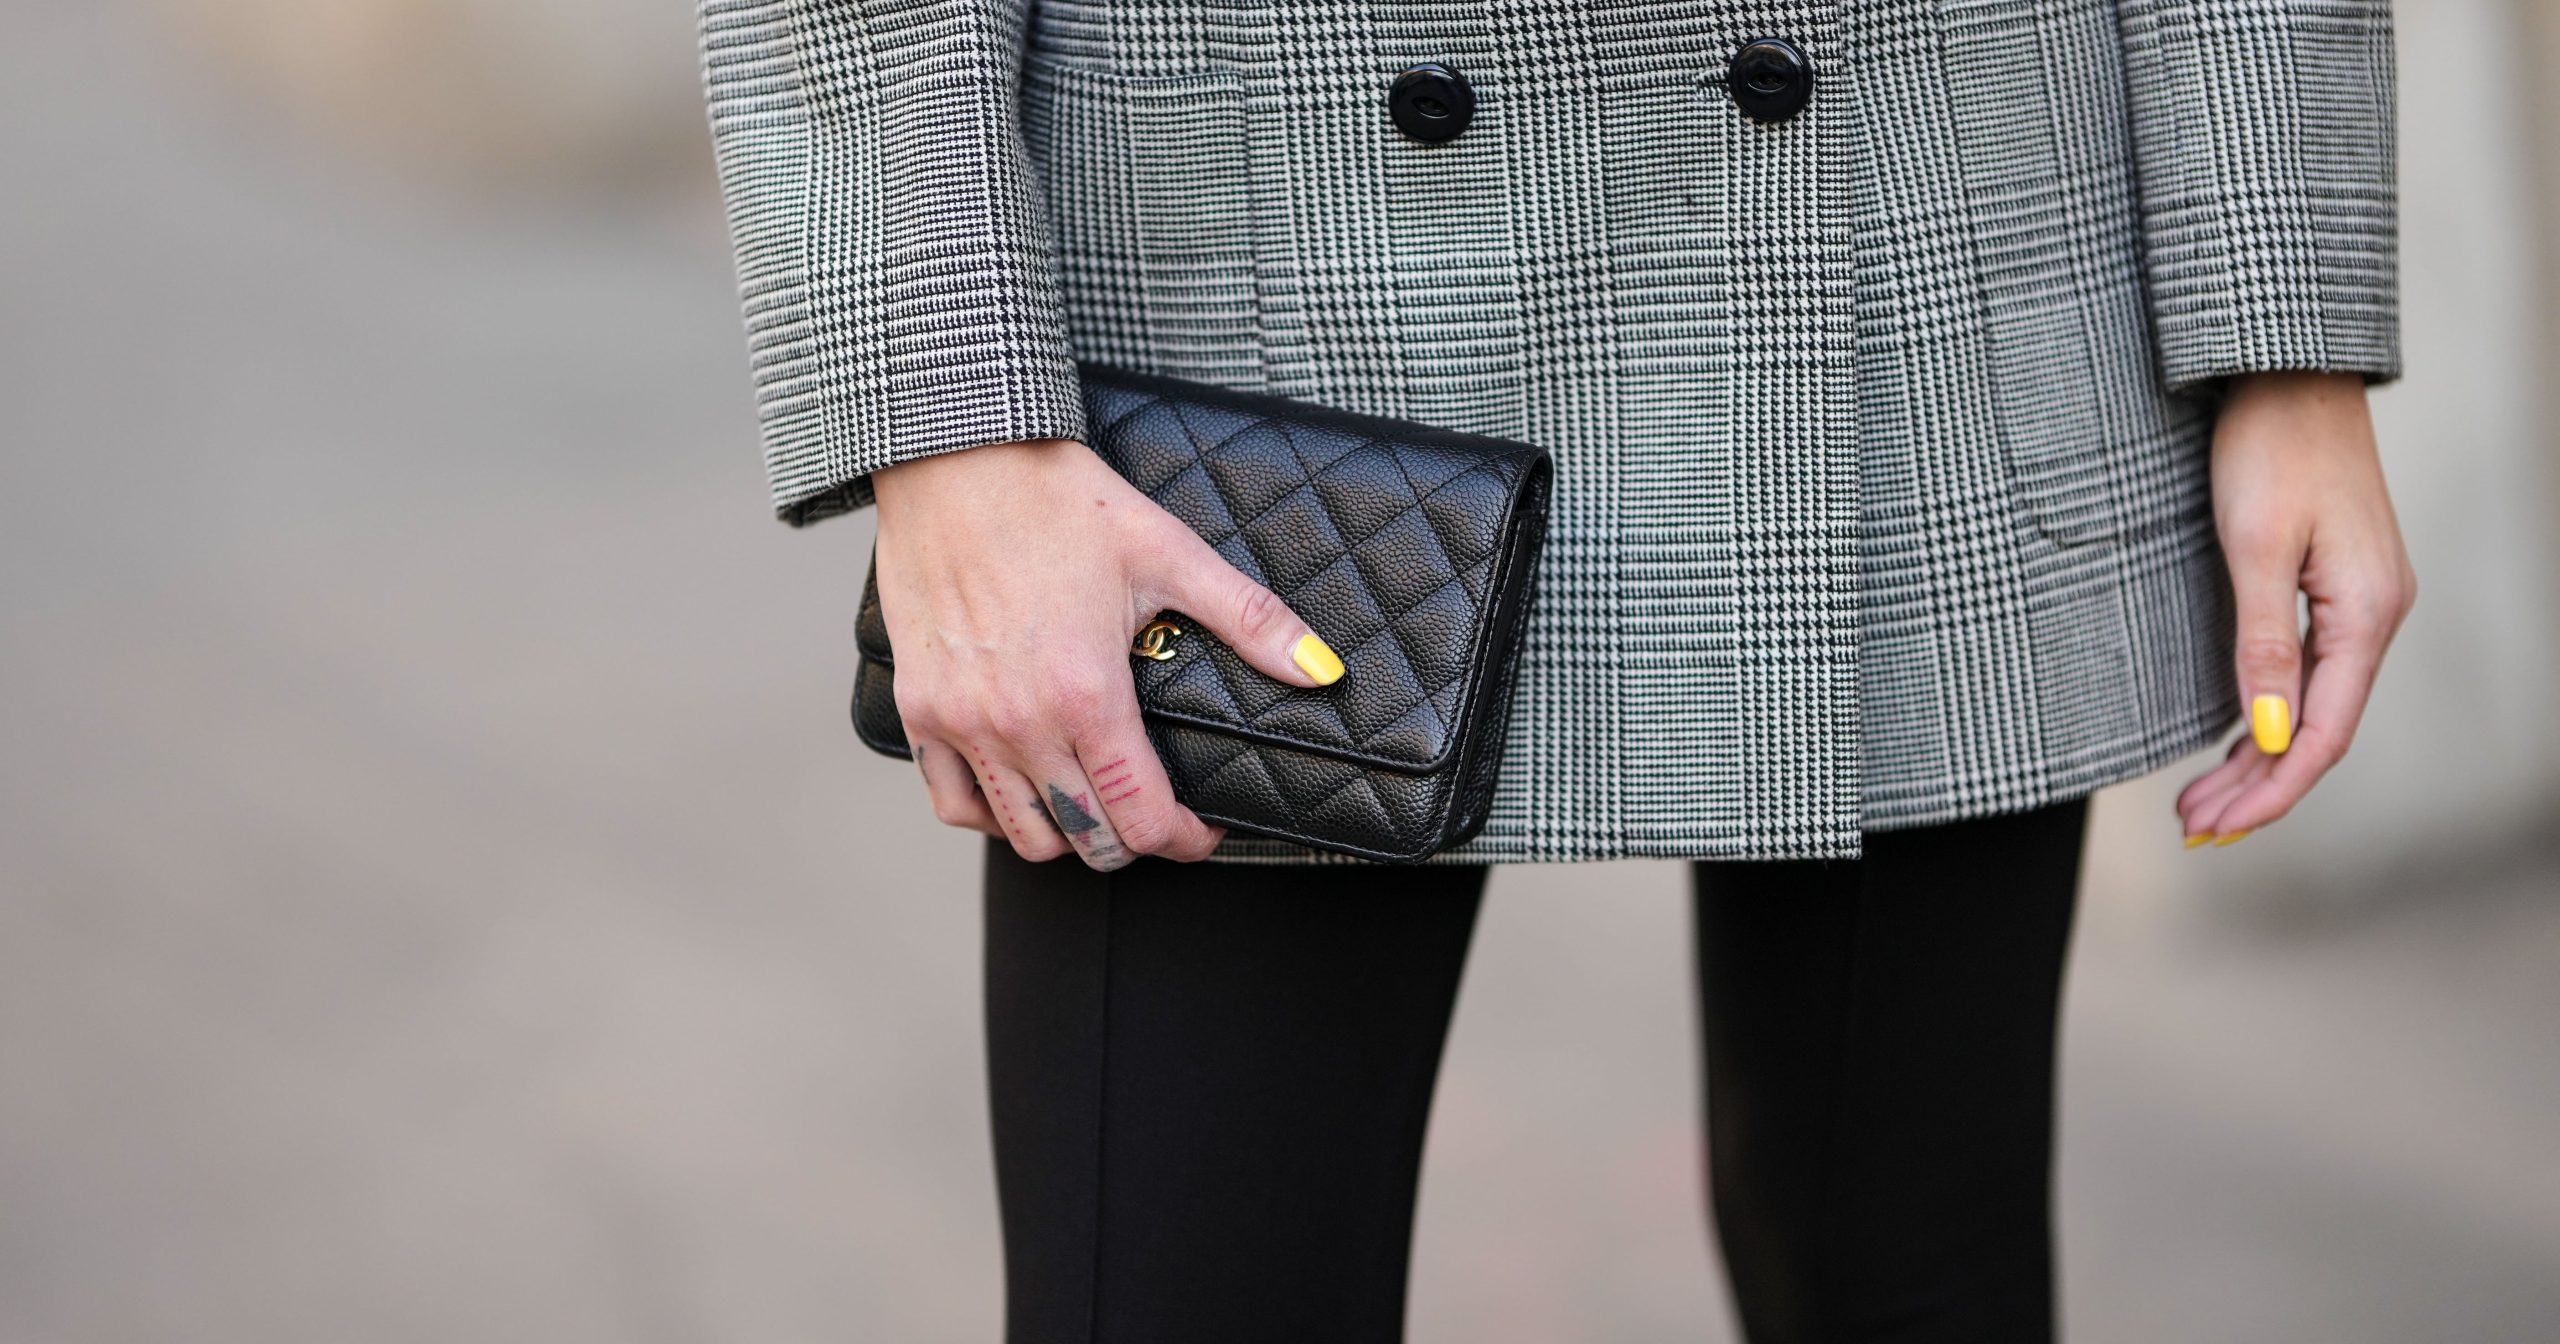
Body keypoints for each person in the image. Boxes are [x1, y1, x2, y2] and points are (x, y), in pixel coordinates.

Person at [695, 1, 2416, 1339]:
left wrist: (2287, 330)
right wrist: (948, 415)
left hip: (1923, 234)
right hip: (1237, 257)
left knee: (1913, 1287)